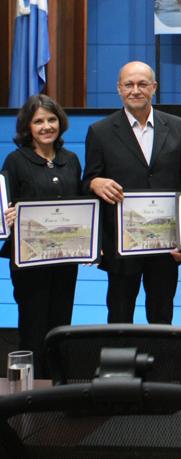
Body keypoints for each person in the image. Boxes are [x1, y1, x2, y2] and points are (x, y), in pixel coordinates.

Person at [84, 61, 181, 324]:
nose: (135, 90)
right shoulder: (100, 131)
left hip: (165, 245)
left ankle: (163, 366)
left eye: (142, 84)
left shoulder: (178, 126)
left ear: (154, 87)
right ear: (119, 89)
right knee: (119, 316)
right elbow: (88, 180)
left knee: (162, 316)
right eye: (128, 84)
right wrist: (95, 183)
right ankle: (120, 366)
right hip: (121, 245)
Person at [1, 95, 82, 373]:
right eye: (38, 121)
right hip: (30, 263)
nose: (46, 126)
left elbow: (81, 208)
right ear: (28, 127)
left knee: (61, 325)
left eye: (51, 119)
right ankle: (31, 396)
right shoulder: (15, 161)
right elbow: (4, 208)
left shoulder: (70, 160)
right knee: (34, 327)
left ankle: (58, 389)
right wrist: (7, 216)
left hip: (64, 260)